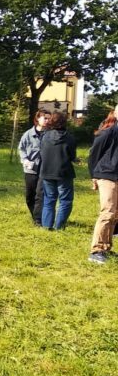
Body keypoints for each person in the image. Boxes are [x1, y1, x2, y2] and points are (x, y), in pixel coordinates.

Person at [38, 111, 78, 230]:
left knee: (49, 199)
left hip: (47, 171)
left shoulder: (44, 136)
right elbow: (72, 155)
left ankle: (46, 226)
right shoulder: (69, 137)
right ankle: (59, 226)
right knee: (65, 200)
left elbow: (41, 152)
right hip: (63, 172)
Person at [88, 107, 118, 264]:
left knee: (115, 214)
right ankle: (97, 250)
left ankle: (106, 247)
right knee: (107, 212)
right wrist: (93, 176)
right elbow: (94, 154)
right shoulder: (108, 132)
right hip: (107, 174)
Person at [18, 110, 49, 224]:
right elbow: (21, 148)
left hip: (45, 169)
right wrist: (25, 160)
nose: (47, 120)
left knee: (40, 195)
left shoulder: (49, 134)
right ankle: (34, 215)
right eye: (44, 118)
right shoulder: (28, 134)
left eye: (48, 118)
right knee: (30, 195)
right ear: (37, 119)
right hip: (30, 169)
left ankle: (38, 219)